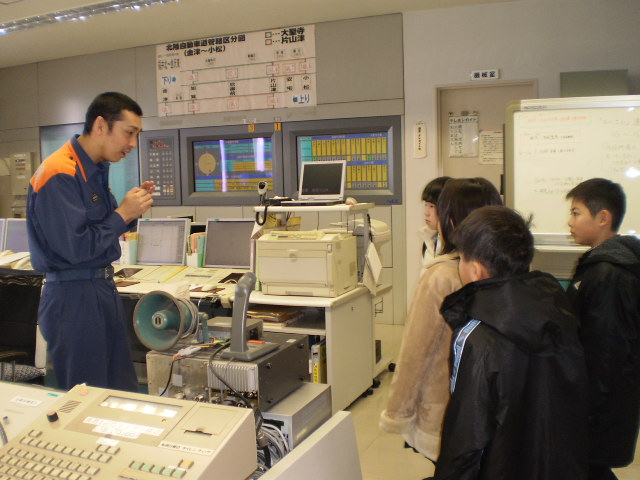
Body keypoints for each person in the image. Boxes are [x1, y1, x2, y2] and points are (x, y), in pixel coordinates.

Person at [435, 205, 588, 480]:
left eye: (461, 258)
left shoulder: (477, 337)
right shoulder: (559, 310)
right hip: (559, 463)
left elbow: (466, 436)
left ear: (476, 270)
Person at [27, 91, 155, 392]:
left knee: (119, 391)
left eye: (136, 135)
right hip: (73, 296)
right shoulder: (59, 173)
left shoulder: (92, 169)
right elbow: (76, 248)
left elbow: (99, 228)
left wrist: (130, 211)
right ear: (100, 126)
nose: (132, 143)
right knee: (87, 396)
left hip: (99, 288)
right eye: (129, 132)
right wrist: (122, 214)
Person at [379, 178, 502, 465]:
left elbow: (415, 351)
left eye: (436, 207)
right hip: (494, 407)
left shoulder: (443, 276)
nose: (428, 212)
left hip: (444, 406)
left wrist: (397, 413)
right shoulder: (507, 267)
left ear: (452, 219)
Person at [565, 178, 640, 480]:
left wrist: (585, 403)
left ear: (603, 218)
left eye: (576, 213)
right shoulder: (601, 263)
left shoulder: (608, 273)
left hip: (601, 401)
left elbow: (606, 348)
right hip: (601, 397)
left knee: (588, 466)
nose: (570, 222)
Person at [419, 176, 451, 269]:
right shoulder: (430, 239)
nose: (426, 213)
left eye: (431, 206)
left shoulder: (457, 248)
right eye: (426, 205)